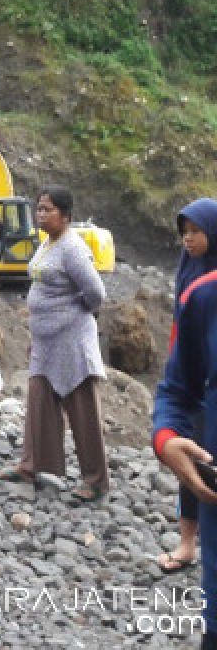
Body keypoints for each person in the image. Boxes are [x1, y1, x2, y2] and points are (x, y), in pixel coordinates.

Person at [0, 186, 108, 500]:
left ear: (66, 216)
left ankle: (95, 481)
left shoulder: (73, 248)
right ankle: (32, 465)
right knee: (38, 401)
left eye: (47, 210)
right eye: (39, 209)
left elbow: (96, 293)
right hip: (45, 341)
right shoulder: (48, 243)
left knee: (82, 408)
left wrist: (72, 315)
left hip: (71, 341)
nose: (40, 214)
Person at [153, 198, 217, 573]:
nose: (188, 240)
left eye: (196, 232)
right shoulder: (190, 275)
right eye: (185, 233)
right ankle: (187, 540)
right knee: (193, 463)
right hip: (192, 382)